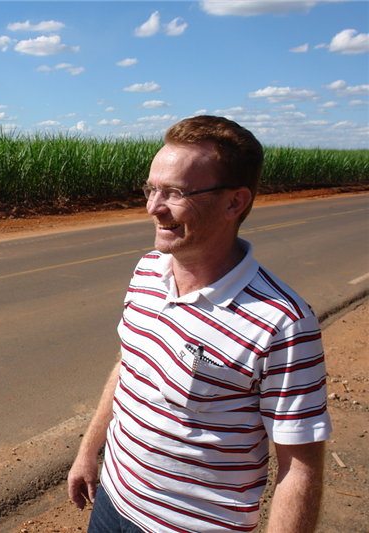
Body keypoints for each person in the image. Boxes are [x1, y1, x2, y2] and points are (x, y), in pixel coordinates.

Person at [67, 115, 331, 533]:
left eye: (174, 193)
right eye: (151, 189)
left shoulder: (283, 323)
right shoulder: (148, 270)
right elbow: (130, 364)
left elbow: (299, 470)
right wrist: (88, 452)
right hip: (111, 504)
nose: (153, 208)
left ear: (234, 203)